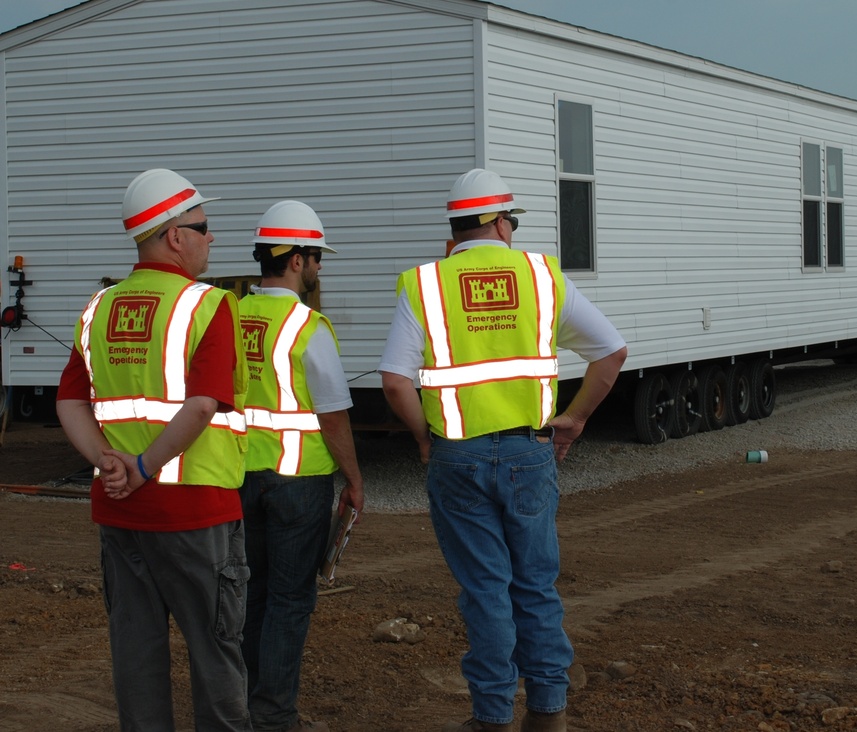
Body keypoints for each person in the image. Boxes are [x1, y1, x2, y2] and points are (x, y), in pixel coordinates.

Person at [379, 169, 628, 732]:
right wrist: (575, 419)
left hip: (457, 458)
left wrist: (423, 437)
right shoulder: (541, 277)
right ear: (498, 221)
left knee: (485, 589)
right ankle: (548, 715)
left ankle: (491, 718)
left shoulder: (425, 284)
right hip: (528, 452)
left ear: (457, 227)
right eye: (512, 220)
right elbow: (611, 352)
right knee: (534, 586)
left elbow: (395, 380)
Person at [56, 168, 252, 730]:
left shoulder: (99, 308)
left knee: (137, 655)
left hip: (120, 510)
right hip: (196, 511)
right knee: (216, 652)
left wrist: (107, 464)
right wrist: (140, 467)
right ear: (174, 236)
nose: (211, 237)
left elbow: (70, 404)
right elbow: (202, 405)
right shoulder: (209, 305)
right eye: (203, 226)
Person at [238, 201, 365, 732]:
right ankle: (275, 717)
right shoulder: (307, 326)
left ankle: (245, 706)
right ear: (295, 259)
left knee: (253, 593)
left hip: (241, 478)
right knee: (290, 601)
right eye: (315, 257)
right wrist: (354, 481)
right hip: (298, 484)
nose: (319, 267)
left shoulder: (231, 315)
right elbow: (332, 417)